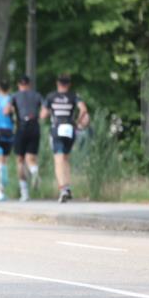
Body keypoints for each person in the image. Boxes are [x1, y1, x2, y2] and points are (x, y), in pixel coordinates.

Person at [41, 74, 90, 203]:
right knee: (66, 158)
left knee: (58, 159)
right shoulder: (74, 96)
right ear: (69, 84)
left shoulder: (51, 96)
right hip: (69, 128)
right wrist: (77, 122)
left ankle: (62, 189)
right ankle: (67, 187)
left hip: (57, 127)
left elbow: (43, 114)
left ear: (58, 83)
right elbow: (84, 109)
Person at [11, 75, 44, 201]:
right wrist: (39, 116)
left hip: (21, 127)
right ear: (29, 84)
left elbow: (6, 110)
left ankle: (24, 193)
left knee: (20, 160)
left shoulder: (15, 96)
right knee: (31, 157)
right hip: (34, 127)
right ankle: (34, 172)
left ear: (19, 85)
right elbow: (45, 110)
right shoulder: (37, 95)